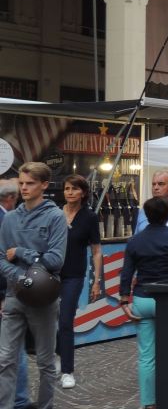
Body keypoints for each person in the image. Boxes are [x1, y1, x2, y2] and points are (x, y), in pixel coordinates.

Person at [0, 162, 69, 409]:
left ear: (44, 185)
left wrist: (21, 251)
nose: (24, 188)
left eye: (30, 183)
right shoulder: (9, 219)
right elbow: (0, 257)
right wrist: (21, 278)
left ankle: (45, 406)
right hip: (14, 296)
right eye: (21, 183)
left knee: (45, 361)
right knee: (5, 359)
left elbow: (55, 260)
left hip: (44, 298)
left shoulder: (55, 217)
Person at [119, 196, 168, 409]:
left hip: (142, 300)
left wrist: (124, 300)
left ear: (146, 214)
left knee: (146, 356)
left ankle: (148, 403)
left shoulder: (134, 241)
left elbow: (126, 274)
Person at [57, 175, 102, 390]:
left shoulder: (89, 217)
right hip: (51, 273)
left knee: (66, 320)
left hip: (74, 275)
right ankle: (58, 355)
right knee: (50, 319)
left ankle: (67, 370)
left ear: (83, 192)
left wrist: (96, 282)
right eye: (67, 189)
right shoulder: (55, 213)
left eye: (74, 189)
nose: (69, 192)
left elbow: (96, 250)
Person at [0, 179, 30, 409]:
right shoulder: (6, 220)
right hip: (7, 293)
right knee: (13, 348)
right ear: (11, 198)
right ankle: (18, 399)